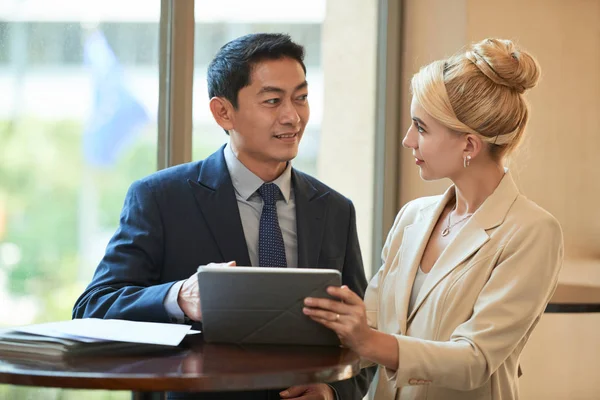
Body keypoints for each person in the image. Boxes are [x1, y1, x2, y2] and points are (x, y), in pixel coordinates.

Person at [73, 33, 374, 400]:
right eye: (272, 100)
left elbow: (362, 340)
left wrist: (331, 392)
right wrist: (179, 297)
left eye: (301, 98)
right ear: (223, 112)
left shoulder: (334, 209)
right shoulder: (160, 198)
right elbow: (92, 309)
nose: (293, 116)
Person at [302, 38, 564, 400]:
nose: (408, 140)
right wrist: (330, 390)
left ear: (469, 145)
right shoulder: (413, 217)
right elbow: (372, 323)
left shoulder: (532, 232)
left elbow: (474, 359)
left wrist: (368, 339)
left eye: (421, 128)